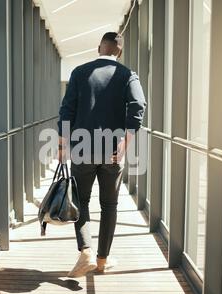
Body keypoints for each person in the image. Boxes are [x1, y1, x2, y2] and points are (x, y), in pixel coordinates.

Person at [57, 32, 147, 278]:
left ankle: (85, 250)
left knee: (81, 201)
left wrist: (63, 144)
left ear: (100, 48)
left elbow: (67, 111)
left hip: (82, 148)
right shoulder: (127, 75)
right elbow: (138, 106)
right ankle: (102, 260)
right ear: (118, 52)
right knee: (109, 205)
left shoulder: (79, 72)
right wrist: (125, 142)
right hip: (113, 151)